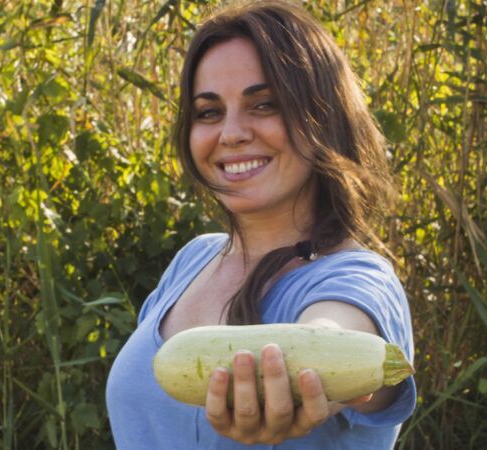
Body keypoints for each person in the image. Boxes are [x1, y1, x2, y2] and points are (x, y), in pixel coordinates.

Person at [106, 1, 416, 448]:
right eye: (209, 112)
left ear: (323, 116)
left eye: (264, 104)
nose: (231, 133)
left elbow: (335, 339)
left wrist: (305, 379)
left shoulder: (358, 278)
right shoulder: (194, 260)